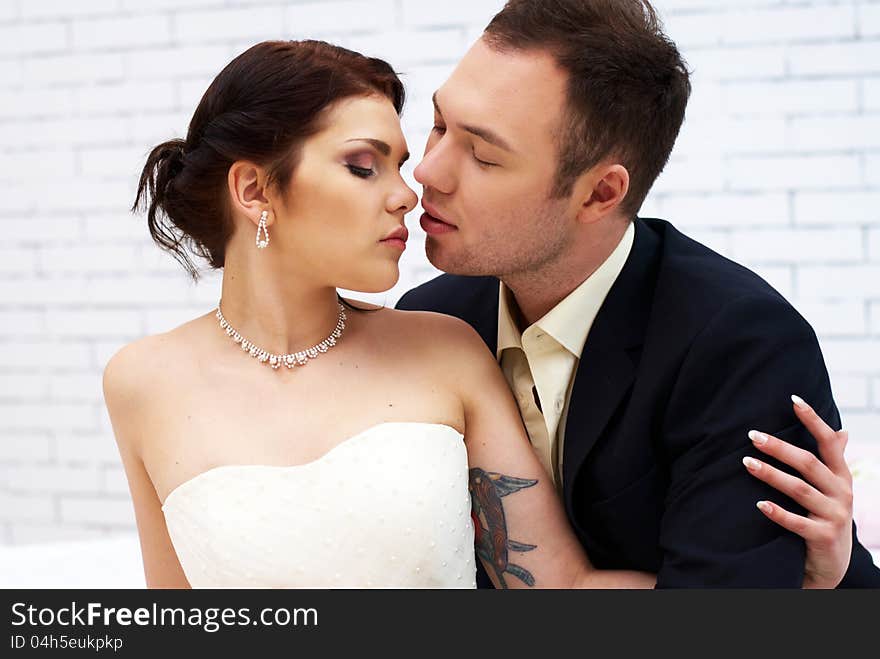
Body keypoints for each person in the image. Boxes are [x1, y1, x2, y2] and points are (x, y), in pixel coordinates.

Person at [104, 39, 853, 590]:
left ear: (600, 191)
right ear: (255, 191)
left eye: (479, 155)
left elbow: (555, 589)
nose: (413, 186)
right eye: (369, 165)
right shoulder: (140, 382)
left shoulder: (441, 346)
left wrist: (808, 585)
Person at [396, 0, 880, 587]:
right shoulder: (430, 320)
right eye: (440, 125)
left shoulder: (738, 345)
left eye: (484, 155)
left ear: (600, 194)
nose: (427, 172)